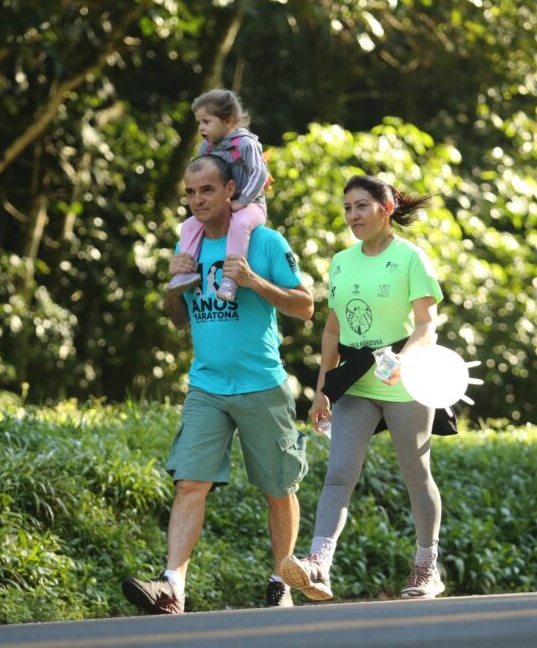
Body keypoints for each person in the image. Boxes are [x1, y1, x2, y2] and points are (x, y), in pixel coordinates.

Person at [122, 155, 314, 614]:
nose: (196, 200)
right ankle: (172, 586)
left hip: (261, 385)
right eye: (190, 193)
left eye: (206, 190)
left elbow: (305, 305)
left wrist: (253, 280)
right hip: (206, 385)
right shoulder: (186, 241)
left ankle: (280, 579)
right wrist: (174, 285)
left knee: (278, 488)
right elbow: (178, 321)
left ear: (230, 190)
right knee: (190, 482)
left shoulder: (265, 241)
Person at [279, 174, 457, 603]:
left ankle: (426, 566)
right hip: (356, 382)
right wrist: (323, 389)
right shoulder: (341, 261)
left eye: (361, 206)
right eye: (347, 208)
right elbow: (332, 330)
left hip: (406, 381)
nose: (353, 215)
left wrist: (404, 360)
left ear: (387, 208)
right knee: (339, 474)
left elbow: (427, 324)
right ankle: (319, 565)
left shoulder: (411, 258)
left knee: (416, 474)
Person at [166, 89, 271, 303]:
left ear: (228, 120)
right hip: (225, 205)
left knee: (240, 224)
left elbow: (260, 173)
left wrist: (242, 201)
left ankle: (230, 280)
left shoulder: (245, 143)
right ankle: (186, 271)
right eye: (198, 123)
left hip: (251, 205)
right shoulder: (206, 147)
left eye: (206, 121)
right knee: (189, 225)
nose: (201, 128)